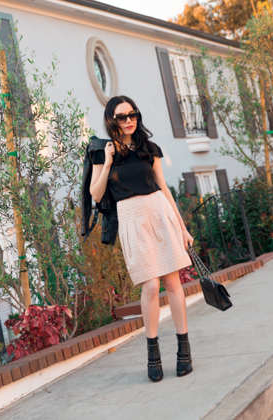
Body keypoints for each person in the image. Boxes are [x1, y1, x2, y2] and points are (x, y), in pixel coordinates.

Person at [89, 95, 194, 382]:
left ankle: (183, 348)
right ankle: (152, 352)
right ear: (112, 120)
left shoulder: (150, 148)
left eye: (132, 114)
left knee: (172, 281)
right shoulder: (102, 153)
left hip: (159, 212)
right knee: (149, 285)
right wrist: (109, 162)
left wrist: (182, 227)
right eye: (122, 116)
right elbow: (96, 195)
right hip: (132, 217)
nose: (129, 120)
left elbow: (164, 188)